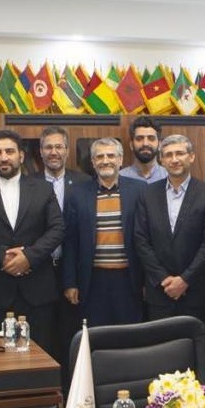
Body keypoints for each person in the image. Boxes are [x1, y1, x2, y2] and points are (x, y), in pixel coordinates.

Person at [0, 129, 63, 352]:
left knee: (40, 357)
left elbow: (57, 229)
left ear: (21, 156)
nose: (4, 157)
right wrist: (1, 257)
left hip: (37, 291)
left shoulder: (43, 189)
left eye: (9, 151)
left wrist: (28, 257)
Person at [133, 134, 205, 330]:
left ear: (191, 156)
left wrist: (185, 280)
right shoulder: (147, 194)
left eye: (180, 153)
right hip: (159, 293)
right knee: (161, 346)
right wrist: (163, 279)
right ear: (161, 160)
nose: (174, 159)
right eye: (168, 155)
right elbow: (141, 240)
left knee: (194, 346)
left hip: (195, 293)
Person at [63, 137, 145, 327]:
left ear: (120, 159)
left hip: (129, 279)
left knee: (129, 335)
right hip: (92, 280)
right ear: (93, 162)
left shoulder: (139, 190)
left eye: (111, 156)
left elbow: (147, 239)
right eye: (99, 157)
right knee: (95, 335)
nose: (105, 161)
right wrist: (70, 282)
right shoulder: (77, 193)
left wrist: (147, 282)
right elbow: (70, 241)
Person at [31, 126, 90, 365]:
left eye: (58, 147)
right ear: (40, 151)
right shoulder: (29, 183)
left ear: (67, 150)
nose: (53, 152)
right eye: (48, 147)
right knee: (44, 335)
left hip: (74, 270)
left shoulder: (85, 182)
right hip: (40, 270)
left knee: (71, 335)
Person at [120, 116, 166, 184]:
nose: (145, 143)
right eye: (139, 139)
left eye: (151, 138)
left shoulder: (169, 177)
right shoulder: (120, 178)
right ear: (131, 145)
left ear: (159, 144)